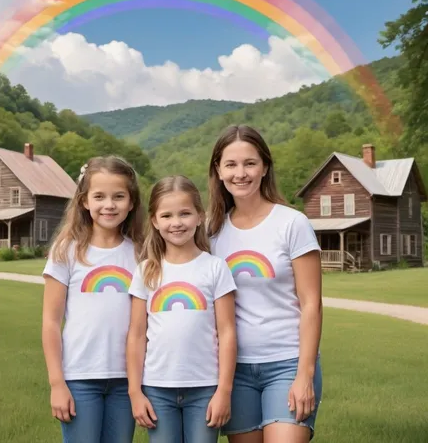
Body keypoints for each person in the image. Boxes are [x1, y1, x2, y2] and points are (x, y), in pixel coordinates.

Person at [207, 124, 323, 443]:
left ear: (265, 167)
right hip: (235, 371)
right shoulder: (210, 232)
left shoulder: (292, 224)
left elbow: (311, 304)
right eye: (230, 164)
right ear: (218, 170)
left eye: (250, 163)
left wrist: (305, 374)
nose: (240, 173)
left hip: (287, 363)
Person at [126, 175, 237, 443]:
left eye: (185, 214)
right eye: (167, 216)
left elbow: (228, 333)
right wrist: (135, 392)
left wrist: (224, 390)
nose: (176, 223)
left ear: (200, 217)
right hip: (157, 389)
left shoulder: (214, 268)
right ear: (154, 221)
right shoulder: (146, 271)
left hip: (205, 389)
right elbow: (137, 335)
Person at [41, 155, 144, 443]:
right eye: (99, 196)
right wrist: (57, 383)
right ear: (85, 201)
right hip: (79, 377)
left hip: (127, 381)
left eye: (118, 196)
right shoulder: (66, 252)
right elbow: (51, 322)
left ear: (132, 201)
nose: (109, 205)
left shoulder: (140, 254)